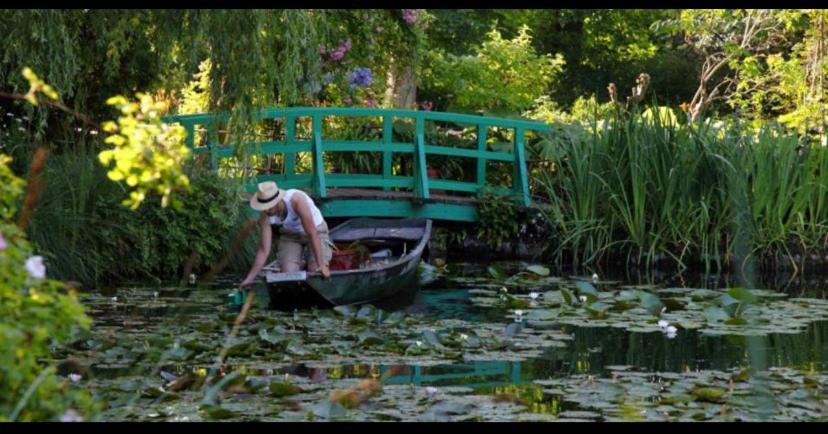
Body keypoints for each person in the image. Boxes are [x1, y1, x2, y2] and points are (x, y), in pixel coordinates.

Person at [240, 181, 332, 288]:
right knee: (287, 276)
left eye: (269, 206)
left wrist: (321, 265)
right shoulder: (265, 216)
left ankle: (307, 263)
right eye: (264, 207)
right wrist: (249, 278)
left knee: (316, 271)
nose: (266, 210)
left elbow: (312, 233)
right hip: (291, 235)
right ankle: (300, 263)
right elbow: (264, 250)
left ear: (278, 200)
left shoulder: (296, 201)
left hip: (316, 231)